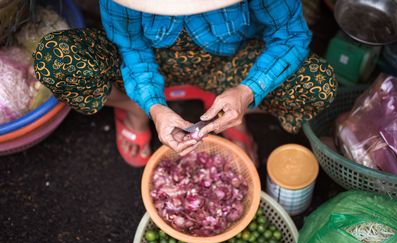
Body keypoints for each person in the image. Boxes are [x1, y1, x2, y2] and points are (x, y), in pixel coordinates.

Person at [33, 0, 336, 167]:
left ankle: (230, 109)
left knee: (316, 83)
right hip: (151, 62)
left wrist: (247, 90)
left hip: (228, 64)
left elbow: (290, 34)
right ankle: (133, 106)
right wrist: (152, 105)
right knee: (58, 58)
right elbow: (131, 48)